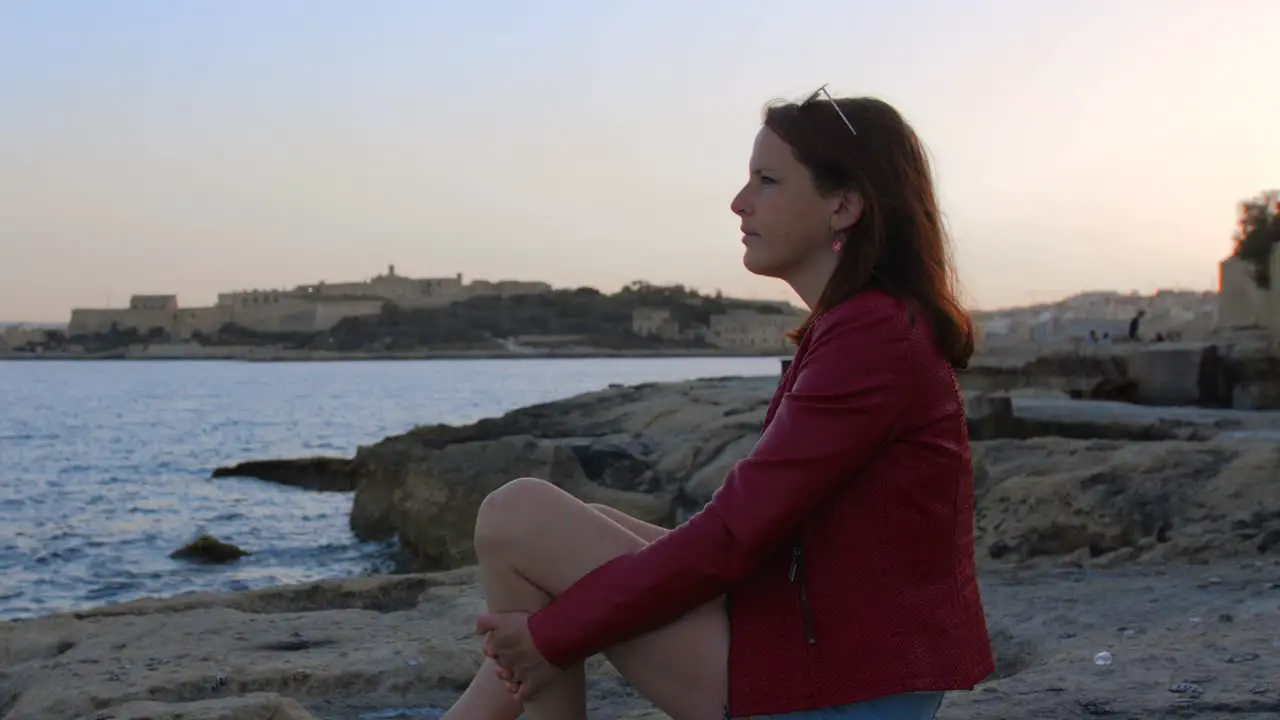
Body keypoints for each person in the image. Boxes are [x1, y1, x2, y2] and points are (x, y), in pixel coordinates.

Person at [442, 88, 995, 720]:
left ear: (843, 205)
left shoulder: (873, 337)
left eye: (767, 181)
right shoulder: (864, 326)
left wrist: (552, 637)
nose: (739, 203)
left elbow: (732, 535)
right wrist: (546, 636)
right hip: (828, 651)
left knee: (520, 518)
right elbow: (752, 537)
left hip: (841, 689)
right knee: (543, 527)